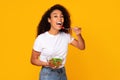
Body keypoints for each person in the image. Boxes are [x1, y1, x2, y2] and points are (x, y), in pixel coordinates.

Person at [30, 4, 85, 80]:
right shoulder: (41, 38)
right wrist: (48, 64)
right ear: (49, 20)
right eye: (55, 16)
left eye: (61, 16)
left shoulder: (65, 36)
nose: (59, 18)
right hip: (48, 73)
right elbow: (33, 60)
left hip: (62, 72)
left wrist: (78, 34)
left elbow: (81, 47)